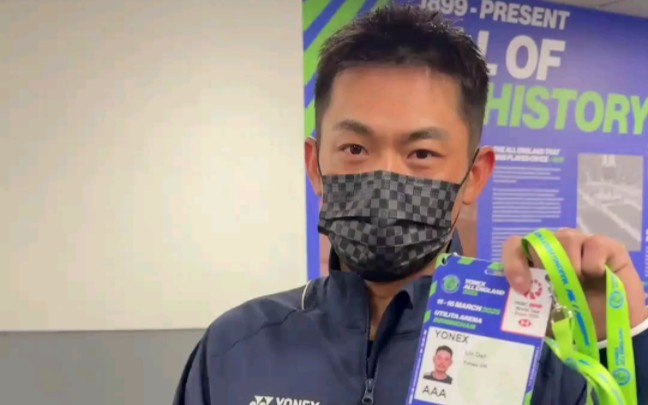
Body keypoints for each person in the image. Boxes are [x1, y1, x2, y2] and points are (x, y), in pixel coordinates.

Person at [174, 5, 648, 404]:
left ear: (474, 177)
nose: (385, 178)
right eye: (355, 148)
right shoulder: (235, 348)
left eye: (421, 153)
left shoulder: (537, 355)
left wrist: (621, 341)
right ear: (315, 165)